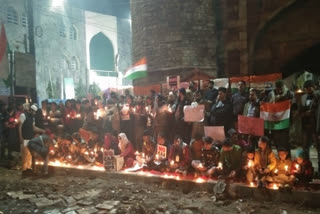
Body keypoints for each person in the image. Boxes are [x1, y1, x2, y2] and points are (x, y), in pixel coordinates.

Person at [19, 104, 45, 176]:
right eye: (34, 112)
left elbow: (33, 128)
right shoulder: (23, 115)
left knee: (30, 155)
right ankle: (24, 170)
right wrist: (21, 137)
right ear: (31, 110)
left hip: (30, 138)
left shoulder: (32, 118)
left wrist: (42, 130)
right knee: (25, 155)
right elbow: (20, 127)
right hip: (25, 138)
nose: (34, 113)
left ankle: (29, 169)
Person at [300, 80, 320, 167]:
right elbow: (300, 110)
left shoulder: (318, 96)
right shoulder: (303, 97)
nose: (308, 90)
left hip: (315, 126)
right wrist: (304, 114)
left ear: (314, 87)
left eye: (309, 88)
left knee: (318, 147)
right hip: (306, 126)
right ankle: (307, 167)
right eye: (306, 89)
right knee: (305, 148)